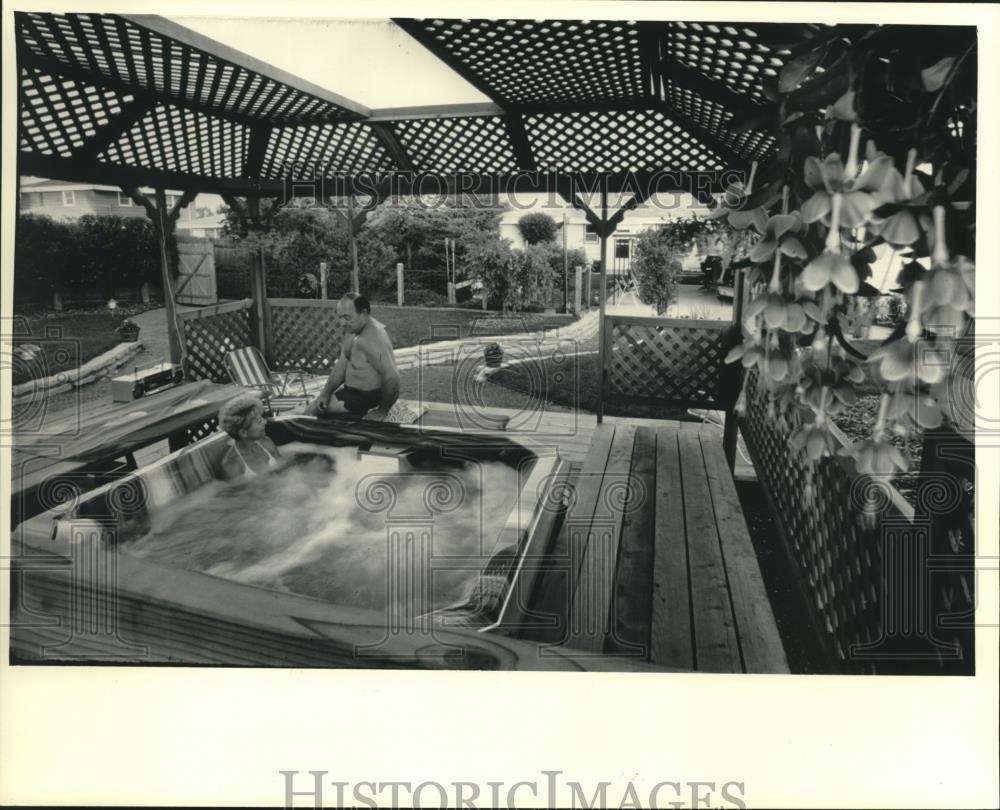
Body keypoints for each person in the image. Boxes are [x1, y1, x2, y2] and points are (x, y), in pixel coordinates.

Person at [304, 293, 400, 421]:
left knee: (308, 414)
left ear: (364, 313)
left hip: (365, 398)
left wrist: (382, 411)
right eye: (340, 317)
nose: (342, 323)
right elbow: (341, 367)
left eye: (347, 317)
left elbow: (392, 377)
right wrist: (325, 394)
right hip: (350, 393)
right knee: (312, 408)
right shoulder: (353, 330)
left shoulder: (372, 339)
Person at [217, 393, 281, 480]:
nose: (265, 422)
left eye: (262, 418)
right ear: (243, 433)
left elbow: (284, 470)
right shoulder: (232, 465)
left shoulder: (267, 442)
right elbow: (237, 493)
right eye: (259, 421)